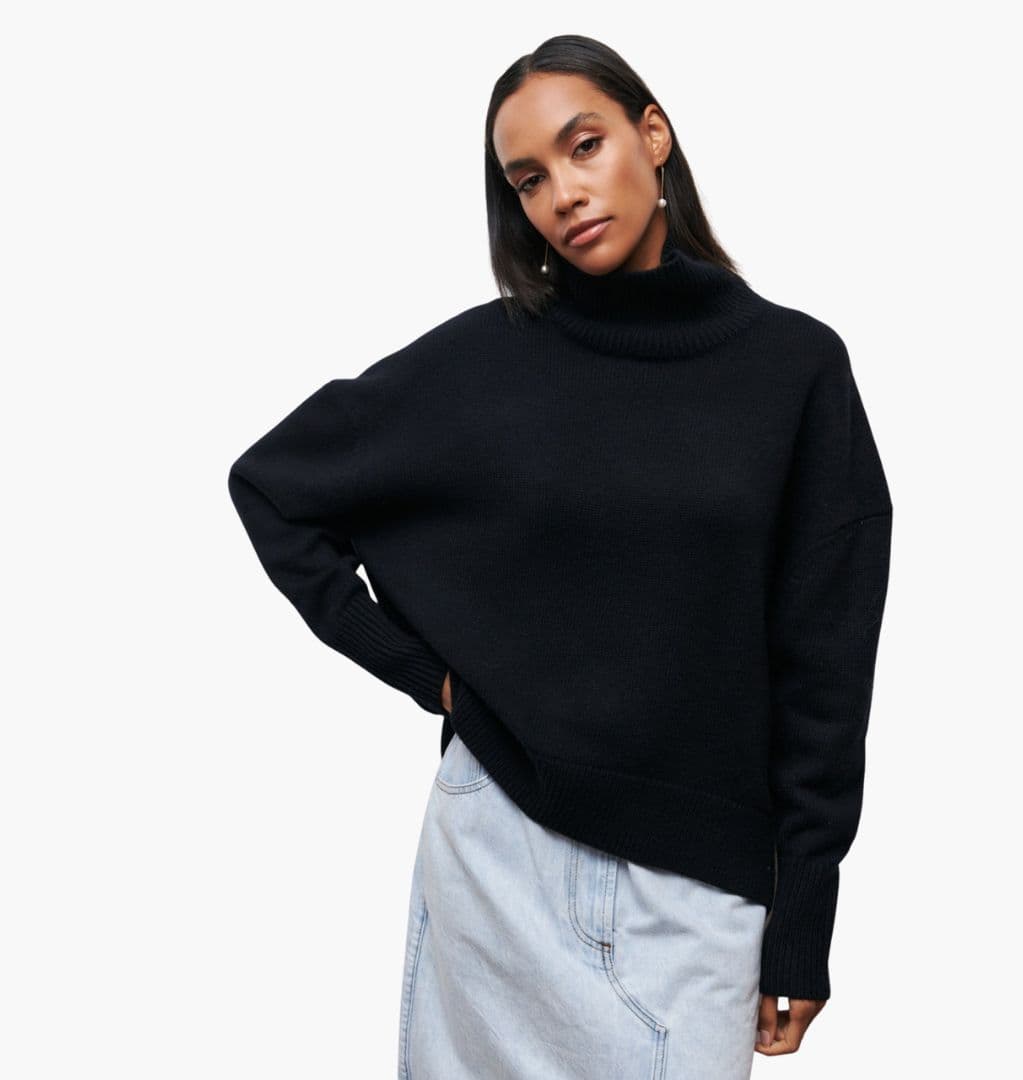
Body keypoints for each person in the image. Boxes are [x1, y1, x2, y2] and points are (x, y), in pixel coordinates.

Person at [227, 34, 893, 1080]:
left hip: (695, 879)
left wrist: (805, 911)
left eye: (584, 147)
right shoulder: (486, 359)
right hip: (497, 854)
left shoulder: (793, 369)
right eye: (528, 179)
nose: (563, 194)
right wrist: (425, 676)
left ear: (653, 135)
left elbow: (826, 659)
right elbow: (275, 484)